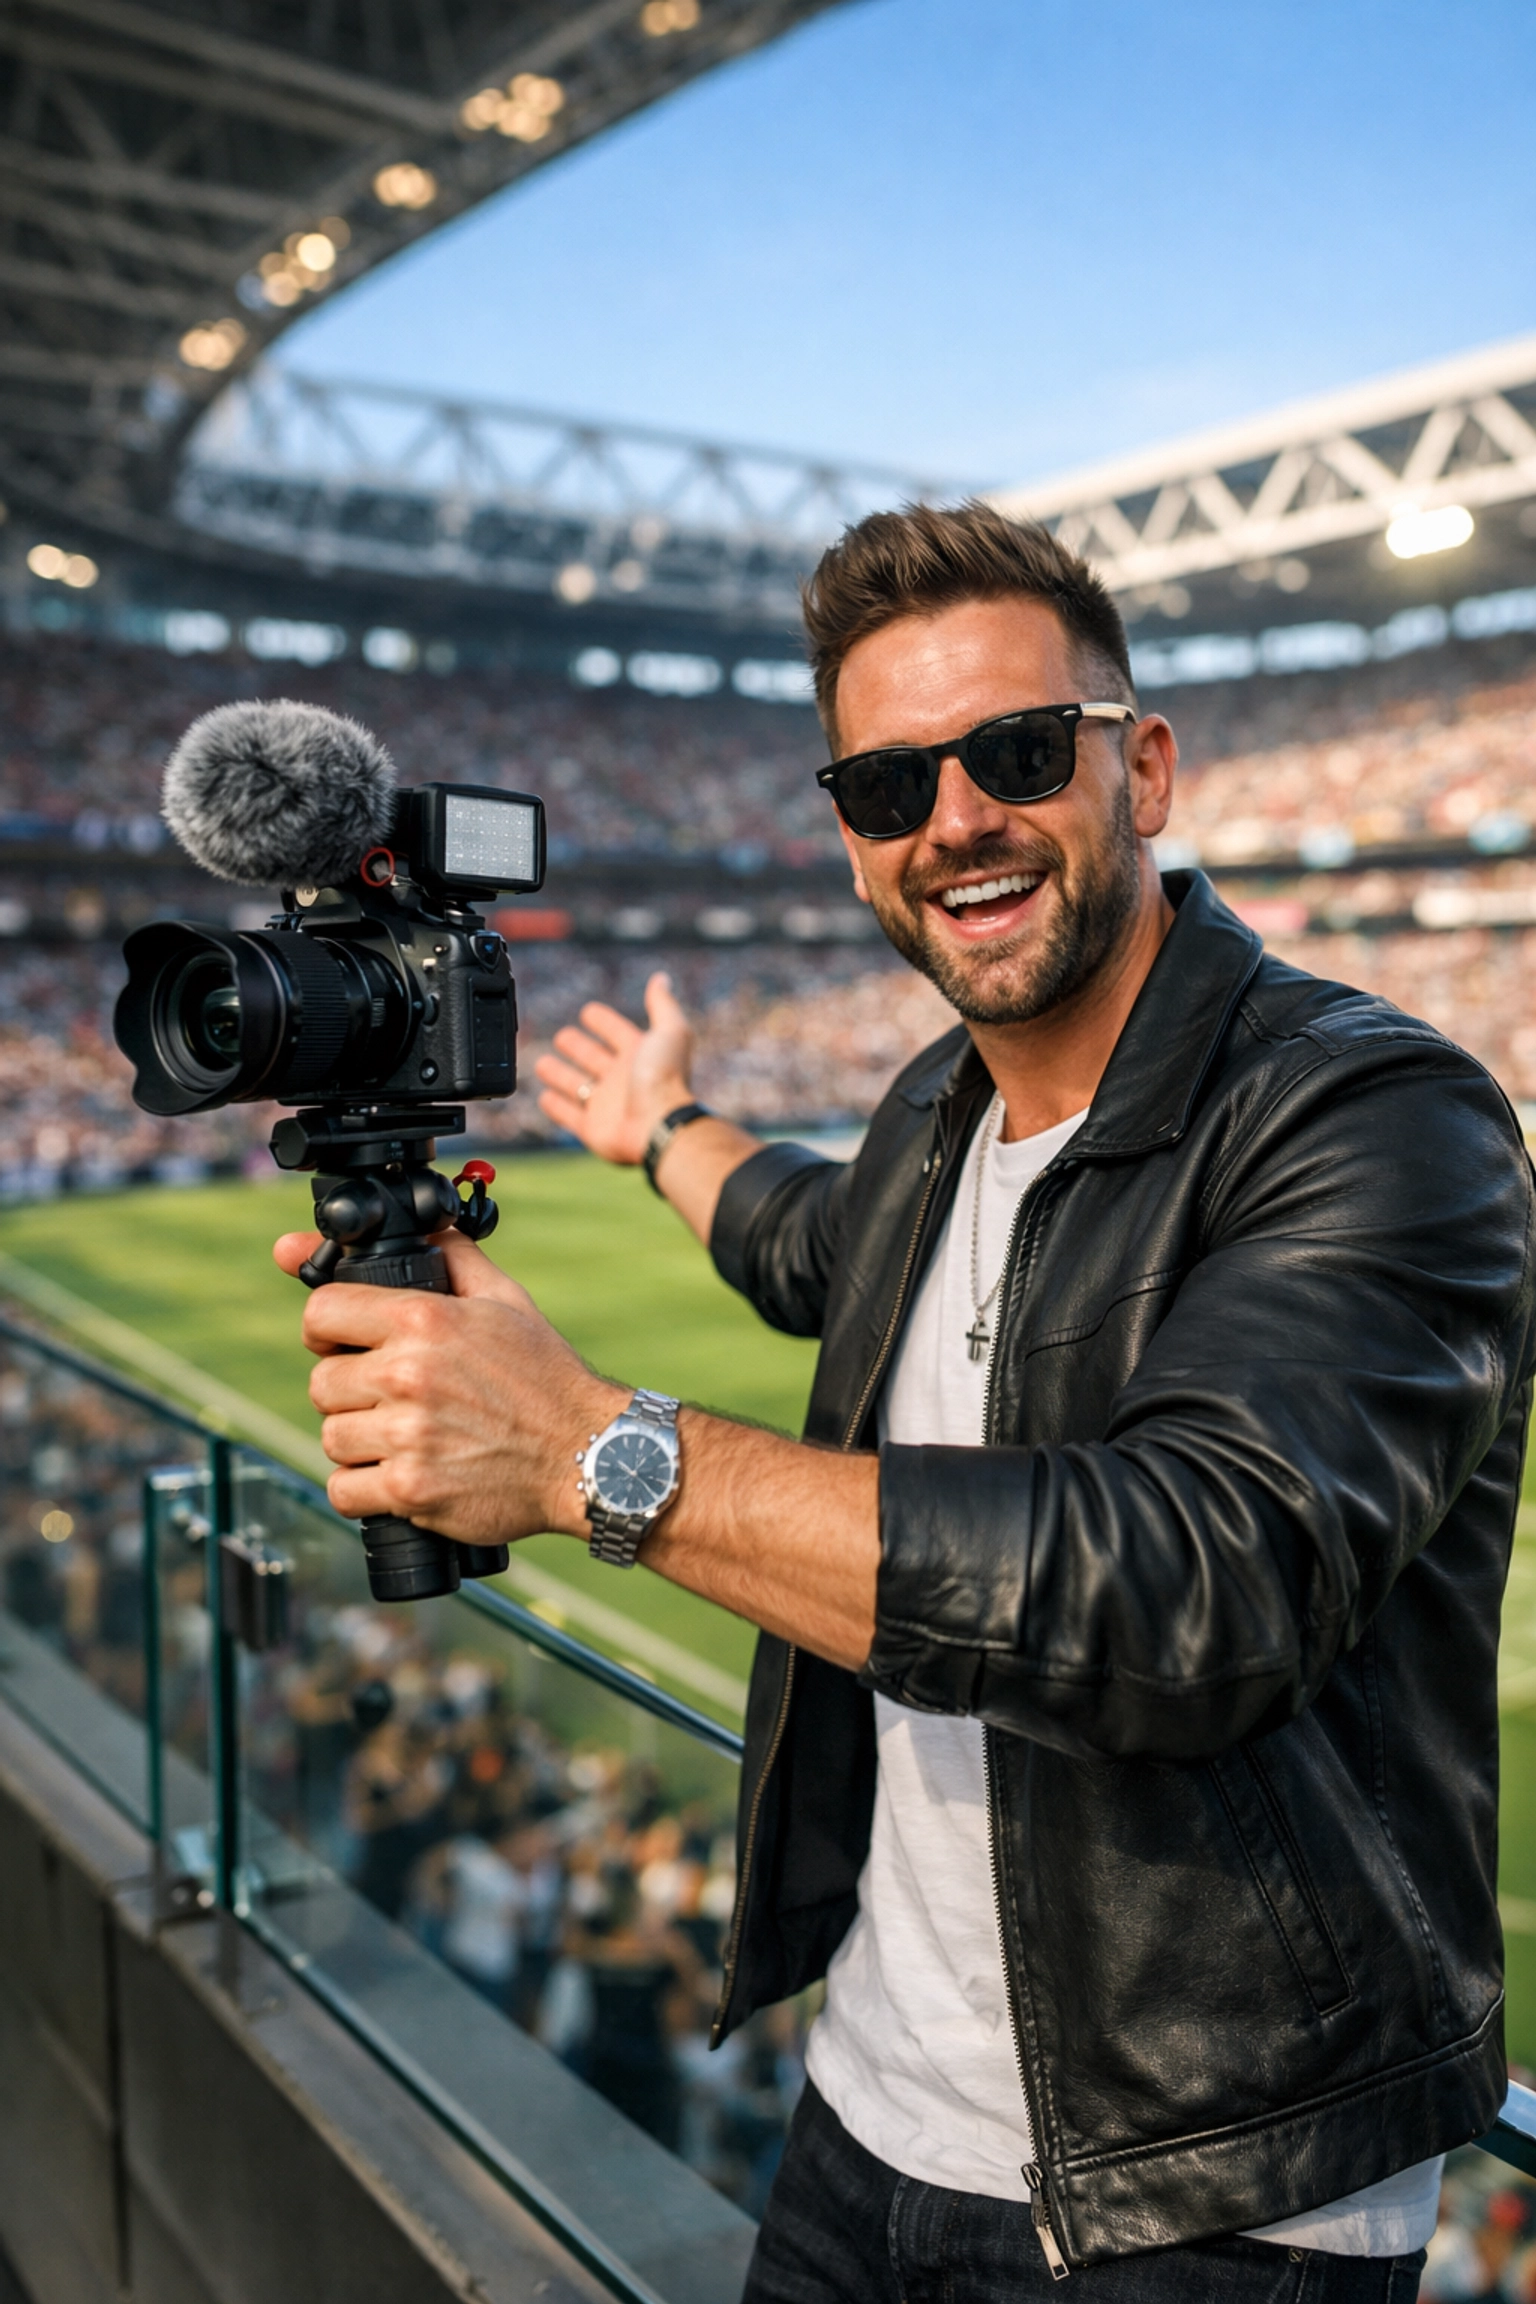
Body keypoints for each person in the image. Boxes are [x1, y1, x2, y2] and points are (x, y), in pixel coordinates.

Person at [276, 503, 1536, 2301]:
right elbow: (811, 1239)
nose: (952, 822)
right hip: (863, 2127)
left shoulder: (1377, 1117)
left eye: (1017, 754)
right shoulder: (933, 1118)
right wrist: (661, 1134)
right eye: (885, 787)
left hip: (1208, 2207)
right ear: (853, 838)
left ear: (1146, 770)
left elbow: (1194, 1587)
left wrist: (580, 1447)